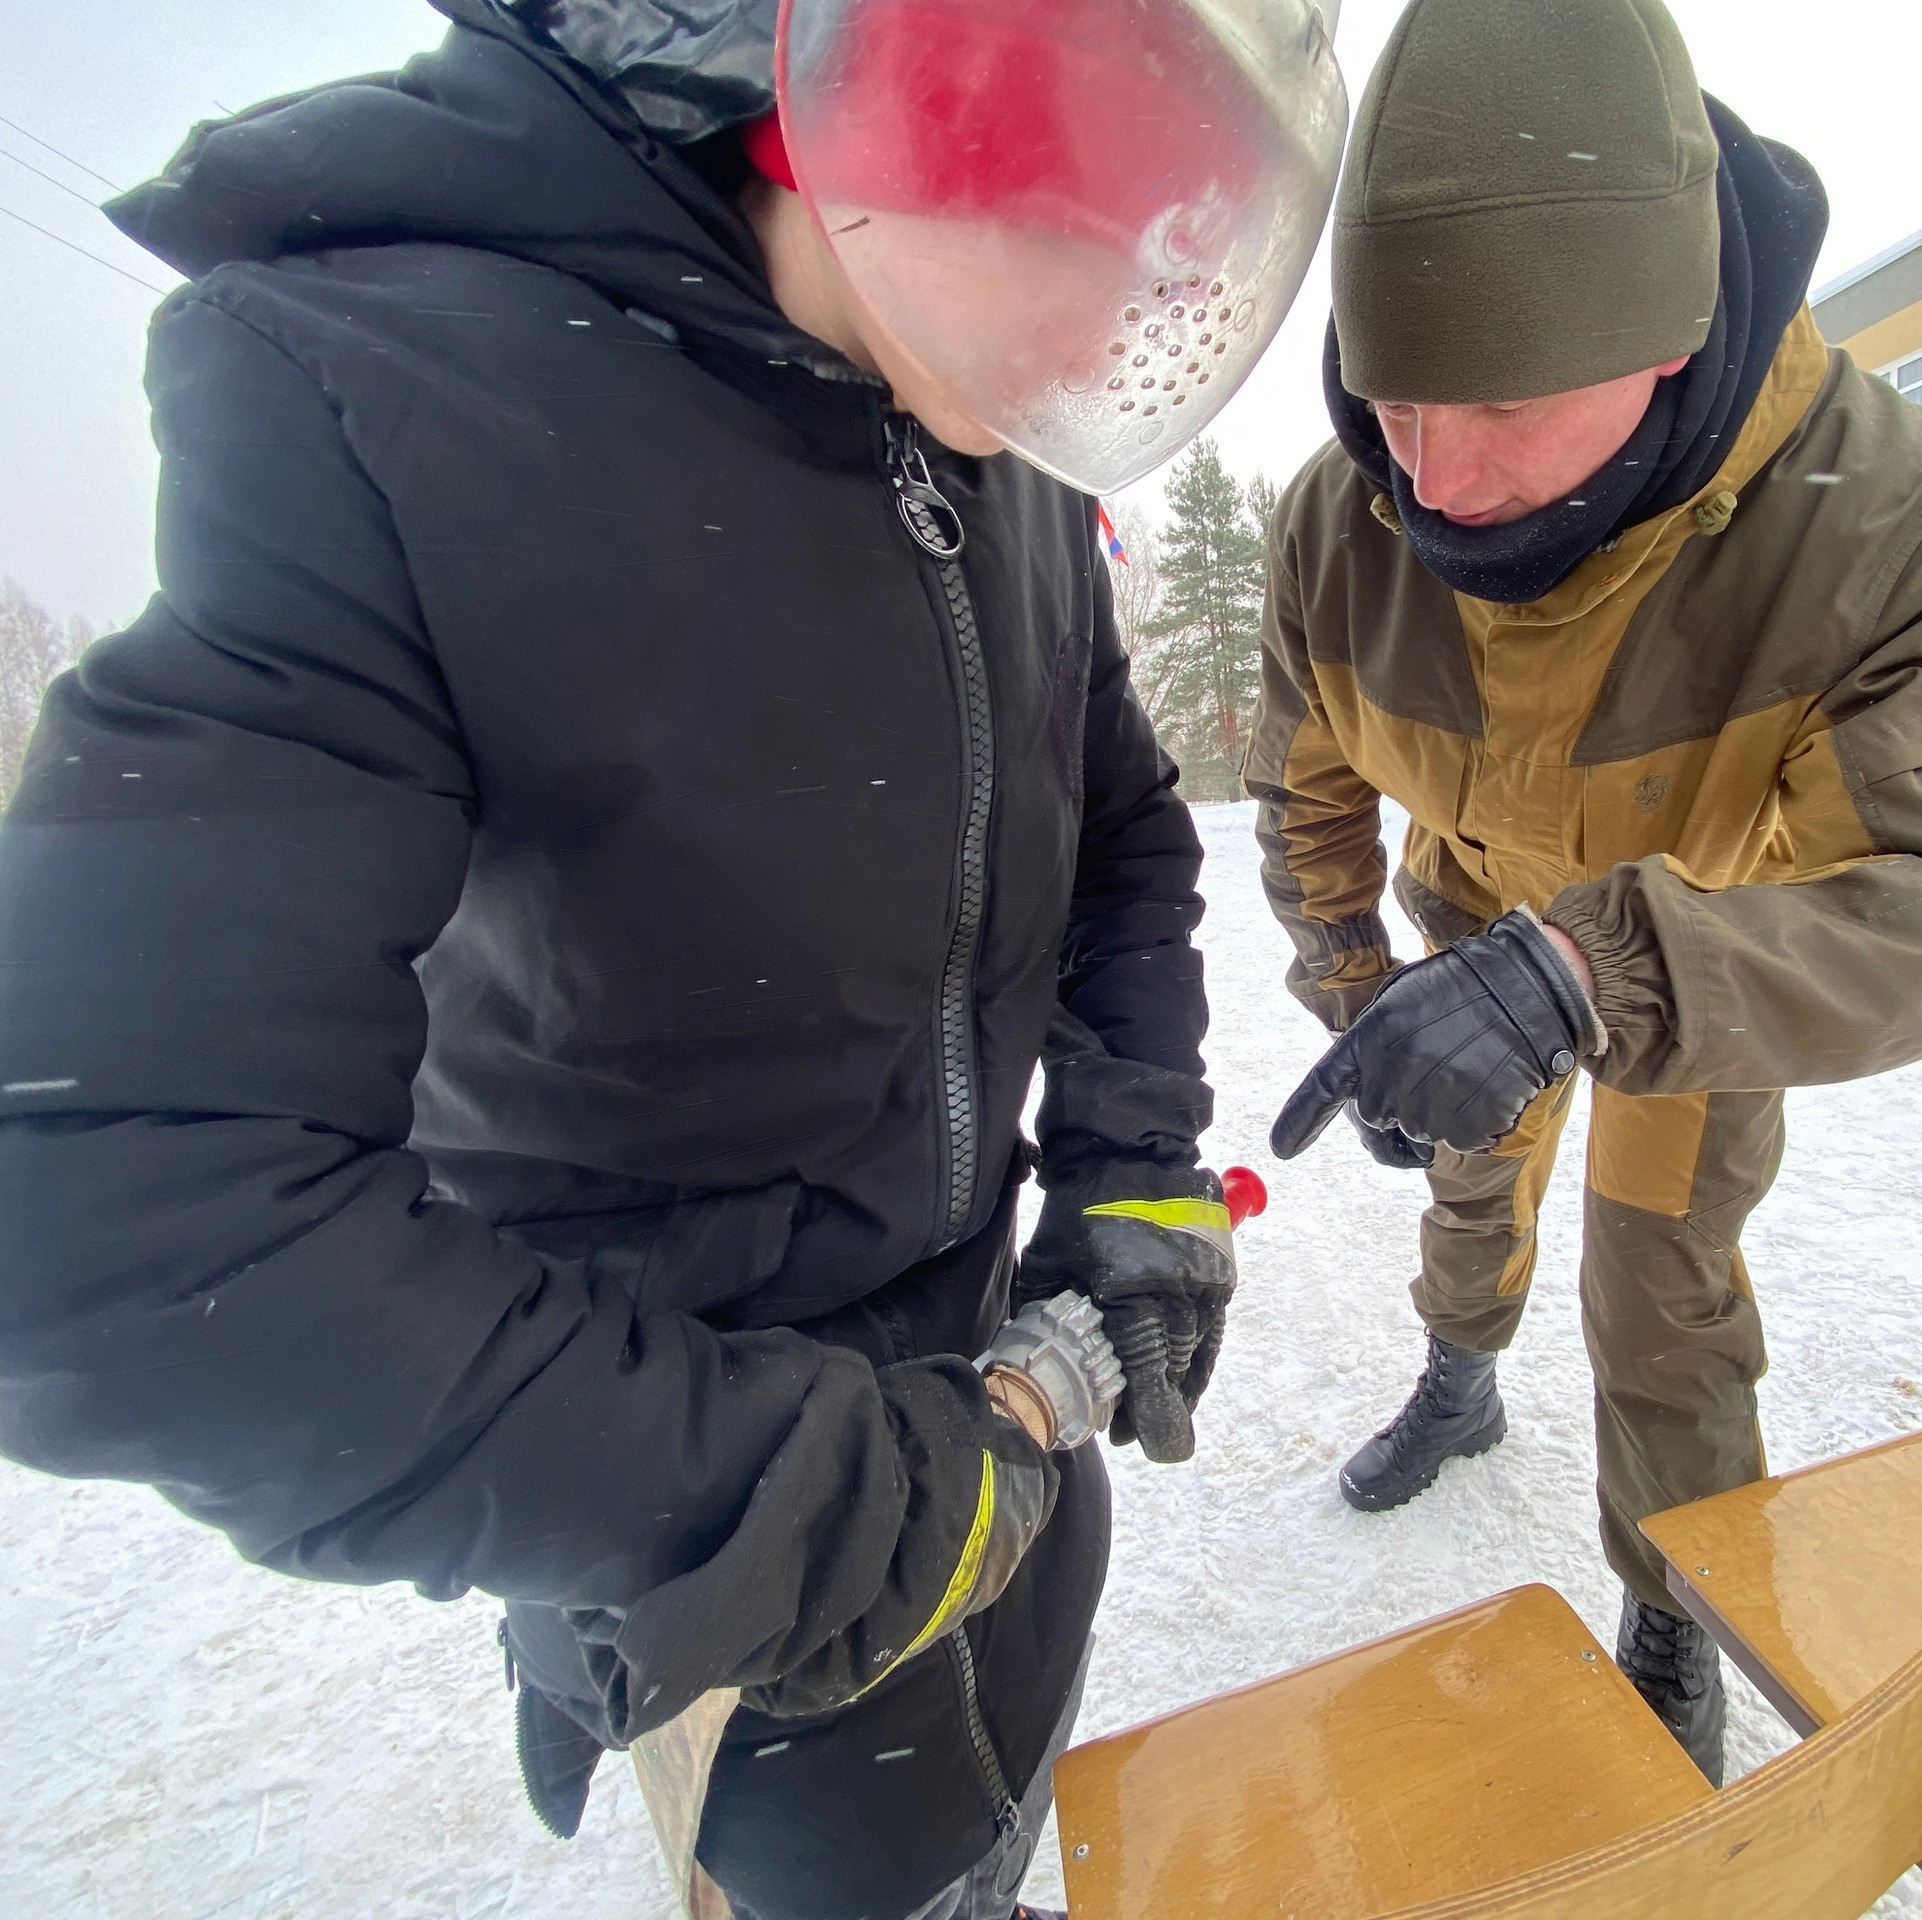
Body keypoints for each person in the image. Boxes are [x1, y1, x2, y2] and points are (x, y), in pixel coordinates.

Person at [0, 2, 1343, 1915]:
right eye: (1071, 231)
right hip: (689, 1479)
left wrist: (1134, 1164)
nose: (1098, 338)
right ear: (877, 121)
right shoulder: (378, 396)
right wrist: (803, 1499)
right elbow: (121, 1228)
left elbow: (1119, 822)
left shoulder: (999, 440)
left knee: (1000, 1798)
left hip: (1001, 1402)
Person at [1252, 0, 1922, 1783]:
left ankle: (1670, 1608)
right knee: (1471, 1198)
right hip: (1472, 936)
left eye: (1506, 403)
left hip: (1709, 970)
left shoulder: (1884, 520)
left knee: (1661, 1293)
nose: (1436, 482)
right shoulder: (1338, 520)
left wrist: (1591, 975)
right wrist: (1358, 993)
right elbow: (1301, 787)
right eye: (1393, 400)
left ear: (1671, 330)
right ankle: (1461, 1388)